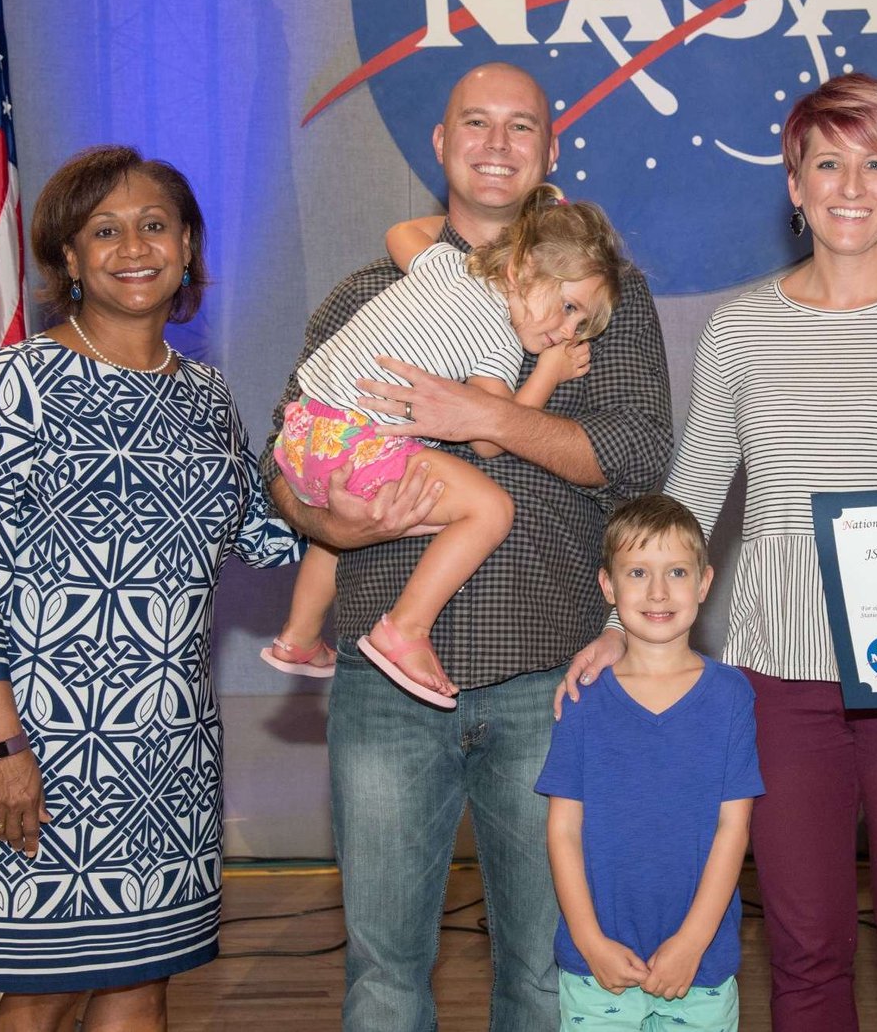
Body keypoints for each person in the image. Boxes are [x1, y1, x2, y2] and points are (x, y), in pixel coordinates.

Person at [566, 72, 877, 1031]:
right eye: (827, 162)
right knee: (806, 951)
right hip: (778, 681)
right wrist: (617, 622)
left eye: (876, 164)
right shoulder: (740, 329)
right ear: (794, 183)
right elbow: (691, 493)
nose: (850, 185)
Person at [262, 62, 672, 1030]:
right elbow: (286, 459)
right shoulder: (368, 289)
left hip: (548, 673)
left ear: (551, 151)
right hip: (382, 681)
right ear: (438, 144)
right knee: (382, 973)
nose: (496, 143)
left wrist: (478, 411)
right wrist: (327, 520)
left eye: (520, 126)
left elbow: (638, 454)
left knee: (541, 970)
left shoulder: (601, 297)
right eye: (473, 124)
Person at [0, 147, 304, 1030]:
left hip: (169, 753)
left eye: (155, 224)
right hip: (42, 749)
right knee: (41, 991)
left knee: (142, 982)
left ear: (188, 245)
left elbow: (265, 535)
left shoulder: (206, 397)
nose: (134, 245)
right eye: (105, 230)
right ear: (68, 259)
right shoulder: (14, 386)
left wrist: (372, 474)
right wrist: (2, 749)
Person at [263, 183, 622, 709]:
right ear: (522, 268)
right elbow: (490, 436)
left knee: (334, 528)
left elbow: (400, 232)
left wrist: (511, 237)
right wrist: (547, 372)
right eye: (568, 307)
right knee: (490, 508)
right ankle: (404, 628)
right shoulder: (498, 338)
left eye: (580, 324)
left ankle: (298, 636)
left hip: (304, 435)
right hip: (358, 443)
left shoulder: (446, 267)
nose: (566, 332)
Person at [537, 495, 762, 1031]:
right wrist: (590, 942)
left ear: (704, 584)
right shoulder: (582, 697)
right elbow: (563, 830)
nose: (658, 591)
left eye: (676, 572)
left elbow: (735, 827)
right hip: (598, 968)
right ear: (609, 588)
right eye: (638, 572)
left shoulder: (732, 695)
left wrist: (691, 943)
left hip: (698, 967)